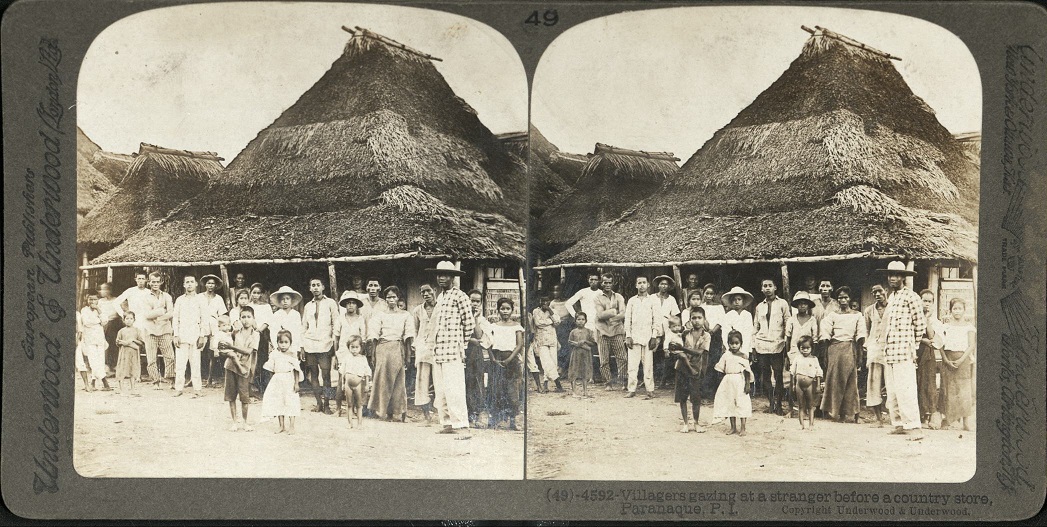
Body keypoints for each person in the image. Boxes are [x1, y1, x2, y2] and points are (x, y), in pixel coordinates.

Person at [873, 261, 926, 439]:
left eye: (896, 275)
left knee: (906, 389)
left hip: (904, 351)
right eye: (890, 275)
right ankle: (898, 423)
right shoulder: (892, 298)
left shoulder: (912, 297)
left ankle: (914, 427)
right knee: (893, 390)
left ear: (903, 277)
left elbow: (920, 325)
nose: (892, 278)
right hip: (890, 352)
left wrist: (913, 347)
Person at [424, 261, 475, 437]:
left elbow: (469, 324)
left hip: (453, 350)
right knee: (441, 389)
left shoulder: (460, 296)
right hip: (439, 351)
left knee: (455, 389)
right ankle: (447, 423)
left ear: (452, 277)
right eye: (439, 275)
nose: (441, 278)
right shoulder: (441, 297)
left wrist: (461, 345)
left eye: (445, 275)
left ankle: (462, 425)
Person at [367, 285, 415, 422]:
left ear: (398, 298)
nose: (391, 300)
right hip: (382, 348)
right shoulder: (380, 315)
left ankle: (397, 412)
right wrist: (374, 354)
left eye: (394, 297)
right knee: (382, 380)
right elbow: (374, 336)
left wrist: (407, 355)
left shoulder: (405, 315)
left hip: (397, 348)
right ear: (385, 299)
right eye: (388, 297)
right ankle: (383, 411)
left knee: (398, 382)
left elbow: (408, 337)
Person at [818, 286, 866, 422]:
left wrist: (859, 353)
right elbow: (825, 333)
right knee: (833, 380)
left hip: (849, 348)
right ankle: (834, 412)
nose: (843, 300)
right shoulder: (832, 315)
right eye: (840, 298)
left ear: (850, 299)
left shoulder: (857, 315)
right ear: (837, 299)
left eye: (845, 297)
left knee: (850, 381)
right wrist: (826, 353)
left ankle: (851, 413)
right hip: (834, 348)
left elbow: (860, 335)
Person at [753, 278, 791, 414]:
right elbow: (755, 327)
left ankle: (779, 404)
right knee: (765, 375)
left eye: (770, 285)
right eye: (765, 286)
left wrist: (787, 342)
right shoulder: (759, 306)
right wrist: (754, 346)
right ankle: (771, 403)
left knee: (778, 374)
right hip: (762, 344)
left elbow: (788, 322)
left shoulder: (782, 304)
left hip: (778, 344)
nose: (767, 288)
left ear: (775, 287)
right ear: (761, 289)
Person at [302, 278, 339, 414]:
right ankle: (318, 403)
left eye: (318, 285)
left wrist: (335, 342)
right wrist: (302, 346)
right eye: (313, 285)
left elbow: (336, 323)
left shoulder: (330, 303)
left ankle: (327, 405)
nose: (316, 288)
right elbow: (303, 326)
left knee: (326, 376)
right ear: (310, 288)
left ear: (323, 287)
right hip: (310, 344)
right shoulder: (307, 306)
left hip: (325, 344)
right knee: (313, 375)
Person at [219, 306, 259, 431]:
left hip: (245, 367)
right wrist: (223, 346)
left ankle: (245, 422)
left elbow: (248, 351)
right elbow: (224, 341)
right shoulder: (235, 332)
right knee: (231, 396)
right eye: (243, 317)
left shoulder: (255, 334)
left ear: (253, 318)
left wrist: (233, 347)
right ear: (240, 318)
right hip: (231, 366)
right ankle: (234, 422)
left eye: (249, 317)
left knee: (244, 396)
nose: (246, 320)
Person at [939, 298, 976, 431]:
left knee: (964, 390)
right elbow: (940, 345)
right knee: (948, 389)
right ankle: (947, 420)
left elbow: (971, 345)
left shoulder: (969, 327)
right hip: (948, 359)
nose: (957, 311)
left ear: (964, 310)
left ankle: (966, 422)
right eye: (954, 308)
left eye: (960, 308)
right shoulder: (945, 327)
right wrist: (945, 360)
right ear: (950, 310)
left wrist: (961, 360)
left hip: (963, 360)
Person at [487, 298, 524, 430]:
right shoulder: (493, 326)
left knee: (512, 391)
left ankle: (513, 421)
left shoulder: (517, 326)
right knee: (496, 389)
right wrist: (492, 358)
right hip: (497, 358)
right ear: (498, 310)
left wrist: (509, 359)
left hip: (511, 359)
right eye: (502, 308)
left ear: (512, 310)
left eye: (508, 308)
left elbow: (519, 345)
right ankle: (495, 420)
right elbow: (488, 343)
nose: (505, 311)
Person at [671, 310, 711, 433]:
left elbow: (700, 352)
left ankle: (696, 423)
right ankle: (685, 423)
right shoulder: (684, 334)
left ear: (704, 319)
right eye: (694, 318)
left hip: (696, 369)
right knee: (682, 397)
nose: (696, 320)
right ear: (689, 320)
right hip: (682, 368)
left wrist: (681, 348)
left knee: (696, 397)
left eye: (699, 317)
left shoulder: (706, 335)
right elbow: (674, 348)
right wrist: (676, 349)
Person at [171, 275, 207, 397]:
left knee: (195, 363)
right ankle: (179, 388)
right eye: (187, 282)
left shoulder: (201, 299)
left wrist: (202, 335)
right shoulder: (180, 300)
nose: (190, 284)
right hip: (182, 334)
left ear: (196, 284)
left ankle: (197, 389)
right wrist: (175, 335)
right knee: (180, 364)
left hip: (196, 334)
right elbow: (175, 318)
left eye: (192, 282)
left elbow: (204, 318)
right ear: (184, 285)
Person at [623, 276, 659, 398]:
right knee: (632, 365)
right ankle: (631, 389)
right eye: (639, 283)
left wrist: (654, 336)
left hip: (648, 337)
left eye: (644, 282)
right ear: (636, 285)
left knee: (648, 365)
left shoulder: (653, 300)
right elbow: (627, 319)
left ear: (648, 285)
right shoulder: (632, 301)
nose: (642, 285)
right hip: (634, 336)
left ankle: (650, 389)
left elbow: (656, 319)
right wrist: (628, 336)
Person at [261, 329, 302, 434]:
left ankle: (291, 426)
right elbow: (270, 369)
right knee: (278, 402)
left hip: (289, 379)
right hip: (278, 380)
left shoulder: (292, 354)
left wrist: (296, 383)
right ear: (277, 343)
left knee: (291, 402)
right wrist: (272, 383)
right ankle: (281, 425)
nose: (283, 345)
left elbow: (296, 370)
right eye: (281, 342)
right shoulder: (274, 354)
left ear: (290, 343)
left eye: (286, 342)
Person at [784, 291, 818, 416]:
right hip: (794, 353)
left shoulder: (812, 320)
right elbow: (787, 338)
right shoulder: (792, 320)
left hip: (807, 354)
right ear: (796, 306)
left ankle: (808, 409)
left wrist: (812, 355)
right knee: (793, 382)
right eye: (800, 304)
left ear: (808, 306)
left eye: (805, 304)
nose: (802, 306)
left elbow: (815, 339)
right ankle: (791, 408)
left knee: (808, 382)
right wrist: (787, 355)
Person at [713, 330, 753, 436]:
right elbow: (720, 369)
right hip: (728, 381)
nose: (734, 346)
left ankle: (743, 428)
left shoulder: (744, 356)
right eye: (732, 343)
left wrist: (748, 384)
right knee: (730, 403)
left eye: (737, 343)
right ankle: (733, 427)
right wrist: (722, 383)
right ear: (728, 343)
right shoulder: (726, 355)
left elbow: (747, 371)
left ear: (741, 343)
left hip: (740, 381)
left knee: (742, 403)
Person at [335, 291, 367, 416]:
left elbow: (363, 338)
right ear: (345, 305)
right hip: (343, 352)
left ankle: (353, 409)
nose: (351, 306)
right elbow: (336, 338)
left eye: (353, 303)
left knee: (355, 381)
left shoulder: (360, 319)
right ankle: (338, 409)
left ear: (357, 305)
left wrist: (360, 354)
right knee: (341, 380)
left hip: (356, 352)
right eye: (348, 303)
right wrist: (336, 354)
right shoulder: (340, 319)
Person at [594, 273, 628, 389]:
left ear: (613, 283)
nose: (607, 285)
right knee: (604, 360)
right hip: (603, 331)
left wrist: (610, 316)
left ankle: (624, 382)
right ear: (601, 283)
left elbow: (623, 313)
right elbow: (600, 315)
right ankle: (607, 383)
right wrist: (614, 311)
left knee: (622, 358)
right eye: (605, 282)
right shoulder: (597, 297)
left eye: (609, 282)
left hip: (617, 330)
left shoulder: (619, 297)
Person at [141, 272, 175, 387]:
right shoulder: (145, 297)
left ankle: (171, 380)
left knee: (169, 357)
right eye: (153, 281)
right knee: (151, 359)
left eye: (157, 281)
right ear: (149, 282)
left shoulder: (167, 296)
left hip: (165, 330)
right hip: (150, 331)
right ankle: (156, 381)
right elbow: (146, 315)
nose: (155, 284)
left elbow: (171, 312)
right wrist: (161, 311)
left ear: (161, 282)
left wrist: (157, 315)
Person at [863, 285, 889, 426]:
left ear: (886, 291)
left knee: (892, 383)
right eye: (874, 292)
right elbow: (866, 330)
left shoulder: (893, 308)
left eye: (880, 291)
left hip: (890, 349)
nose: (878, 294)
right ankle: (878, 418)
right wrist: (868, 345)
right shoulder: (869, 311)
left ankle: (896, 418)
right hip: (874, 350)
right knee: (874, 383)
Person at [917, 289, 943, 428]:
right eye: (924, 300)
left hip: (928, 354)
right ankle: (918, 415)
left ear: (933, 303)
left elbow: (932, 337)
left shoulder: (935, 320)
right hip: (916, 352)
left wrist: (927, 319)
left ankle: (928, 416)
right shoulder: (914, 317)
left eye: (929, 301)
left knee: (928, 383)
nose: (926, 304)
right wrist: (922, 340)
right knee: (916, 382)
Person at [410, 285, 437, 422]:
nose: (426, 294)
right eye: (423, 292)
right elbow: (414, 330)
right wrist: (416, 345)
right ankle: (427, 415)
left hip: (438, 349)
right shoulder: (418, 310)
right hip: (423, 349)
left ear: (434, 292)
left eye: (428, 291)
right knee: (422, 381)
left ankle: (442, 415)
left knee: (439, 381)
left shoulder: (441, 308)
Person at [333, 335, 371, 428]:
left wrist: (366, 385)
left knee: (359, 404)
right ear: (348, 347)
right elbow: (342, 373)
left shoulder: (363, 358)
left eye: (357, 347)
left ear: (361, 347)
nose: (354, 350)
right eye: (352, 347)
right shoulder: (346, 358)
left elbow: (367, 372)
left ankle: (360, 423)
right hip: (348, 384)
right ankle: (349, 423)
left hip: (358, 384)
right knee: (349, 404)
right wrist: (342, 384)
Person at [466, 289, 492, 427]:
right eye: (472, 300)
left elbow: (479, 337)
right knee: (466, 384)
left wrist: (475, 318)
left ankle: (477, 414)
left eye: (477, 301)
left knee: (477, 383)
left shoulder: (482, 320)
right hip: (464, 353)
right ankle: (468, 416)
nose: (474, 303)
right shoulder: (461, 317)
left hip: (476, 355)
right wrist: (470, 340)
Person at [199, 274, 229, 388]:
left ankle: (209, 378)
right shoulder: (199, 297)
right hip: (201, 326)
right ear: (205, 284)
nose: (210, 285)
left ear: (215, 285)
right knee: (198, 352)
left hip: (214, 326)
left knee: (212, 353)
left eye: (212, 283)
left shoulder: (218, 299)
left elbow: (222, 315)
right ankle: (195, 377)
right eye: (208, 283)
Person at [652, 275, 681, 389]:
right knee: (652, 353)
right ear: (658, 285)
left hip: (668, 328)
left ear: (669, 286)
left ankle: (664, 380)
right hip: (654, 327)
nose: (664, 286)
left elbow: (674, 315)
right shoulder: (652, 298)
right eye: (662, 284)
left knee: (668, 353)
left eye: (666, 284)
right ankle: (650, 378)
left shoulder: (671, 299)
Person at [532, 295, 564, 393]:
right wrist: (551, 321)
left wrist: (550, 311)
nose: (545, 303)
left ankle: (545, 384)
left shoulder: (553, 311)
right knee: (547, 363)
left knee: (553, 363)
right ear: (539, 301)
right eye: (543, 300)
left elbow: (558, 321)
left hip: (552, 340)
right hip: (541, 341)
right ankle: (558, 384)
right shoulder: (536, 311)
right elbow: (538, 323)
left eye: (547, 301)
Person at [80, 291, 112, 391]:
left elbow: (105, 320)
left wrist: (98, 310)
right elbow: (87, 322)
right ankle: (105, 382)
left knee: (100, 361)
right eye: (91, 299)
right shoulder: (84, 310)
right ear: (87, 299)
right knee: (93, 361)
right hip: (89, 339)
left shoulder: (100, 309)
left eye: (95, 299)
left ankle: (93, 383)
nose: (93, 301)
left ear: (98, 300)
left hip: (100, 339)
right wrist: (99, 321)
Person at [791, 335, 823, 430]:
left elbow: (818, 373)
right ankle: (801, 424)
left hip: (809, 385)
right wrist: (793, 384)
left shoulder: (814, 359)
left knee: (810, 405)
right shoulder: (797, 358)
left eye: (807, 348)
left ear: (812, 348)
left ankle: (811, 424)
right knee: (801, 405)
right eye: (802, 348)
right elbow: (792, 372)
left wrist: (817, 386)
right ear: (799, 348)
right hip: (799, 385)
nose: (805, 350)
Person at [700, 284, 726, 398]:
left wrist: (712, 331)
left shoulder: (719, 307)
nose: (709, 296)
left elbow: (721, 321)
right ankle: (703, 390)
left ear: (714, 295)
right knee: (704, 361)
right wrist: (706, 330)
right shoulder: (701, 306)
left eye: (711, 294)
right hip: (703, 335)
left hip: (715, 335)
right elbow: (701, 319)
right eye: (707, 293)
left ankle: (712, 390)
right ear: (703, 294)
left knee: (713, 361)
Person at [248, 283, 273, 396]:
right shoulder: (248, 306)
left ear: (261, 294)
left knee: (262, 359)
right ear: (251, 293)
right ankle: (252, 385)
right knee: (252, 360)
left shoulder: (266, 306)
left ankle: (263, 386)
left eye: (258, 293)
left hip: (262, 335)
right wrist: (253, 328)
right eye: (254, 292)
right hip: (250, 334)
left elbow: (268, 321)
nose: (256, 295)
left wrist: (259, 330)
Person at [113, 311, 144, 396]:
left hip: (134, 353)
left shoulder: (137, 330)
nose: (129, 320)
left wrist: (133, 340)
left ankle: (133, 389)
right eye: (127, 318)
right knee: (122, 369)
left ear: (134, 320)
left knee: (133, 370)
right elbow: (117, 342)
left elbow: (141, 342)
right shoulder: (121, 331)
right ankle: (121, 389)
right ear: (123, 320)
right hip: (124, 353)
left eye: (131, 318)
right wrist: (124, 343)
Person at [811, 279, 839, 372]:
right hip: (816, 340)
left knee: (829, 365)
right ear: (818, 288)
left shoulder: (836, 304)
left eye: (827, 286)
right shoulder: (813, 303)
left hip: (831, 340)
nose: (825, 288)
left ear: (832, 288)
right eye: (822, 286)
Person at [566, 312, 596, 398]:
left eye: (583, 319)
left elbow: (593, 343)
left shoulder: (589, 331)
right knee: (574, 370)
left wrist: (585, 342)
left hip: (586, 354)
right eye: (578, 319)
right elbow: (570, 342)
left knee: (585, 371)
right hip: (576, 353)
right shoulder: (573, 332)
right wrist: (577, 344)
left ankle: (585, 391)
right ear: (575, 321)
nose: (581, 321)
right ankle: (574, 391)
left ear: (586, 321)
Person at [720, 286, 754, 359]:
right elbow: (725, 333)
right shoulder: (728, 315)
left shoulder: (747, 315)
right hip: (732, 346)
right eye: (734, 300)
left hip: (745, 346)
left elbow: (748, 332)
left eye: (739, 299)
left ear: (743, 301)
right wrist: (728, 346)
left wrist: (744, 349)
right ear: (731, 302)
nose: (737, 302)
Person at [548, 284, 574, 378]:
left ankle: (564, 369)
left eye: (558, 290)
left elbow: (573, 314)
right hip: (557, 327)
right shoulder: (552, 303)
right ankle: (558, 369)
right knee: (558, 348)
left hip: (567, 327)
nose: (556, 293)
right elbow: (550, 315)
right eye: (554, 291)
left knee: (566, 348)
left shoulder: (568, 302)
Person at [97, 282, 122, 372]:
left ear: (109, 290)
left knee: (113, 344)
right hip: (103, 324)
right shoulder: (100, 302)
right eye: (101, 289)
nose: (101, 291)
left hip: (113, 324)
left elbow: (116, 313)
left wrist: (106, 318)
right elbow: (98, 313)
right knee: (103, 344)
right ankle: (105, 364)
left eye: (104, 289)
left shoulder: (115, 300)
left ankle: (114, 364)